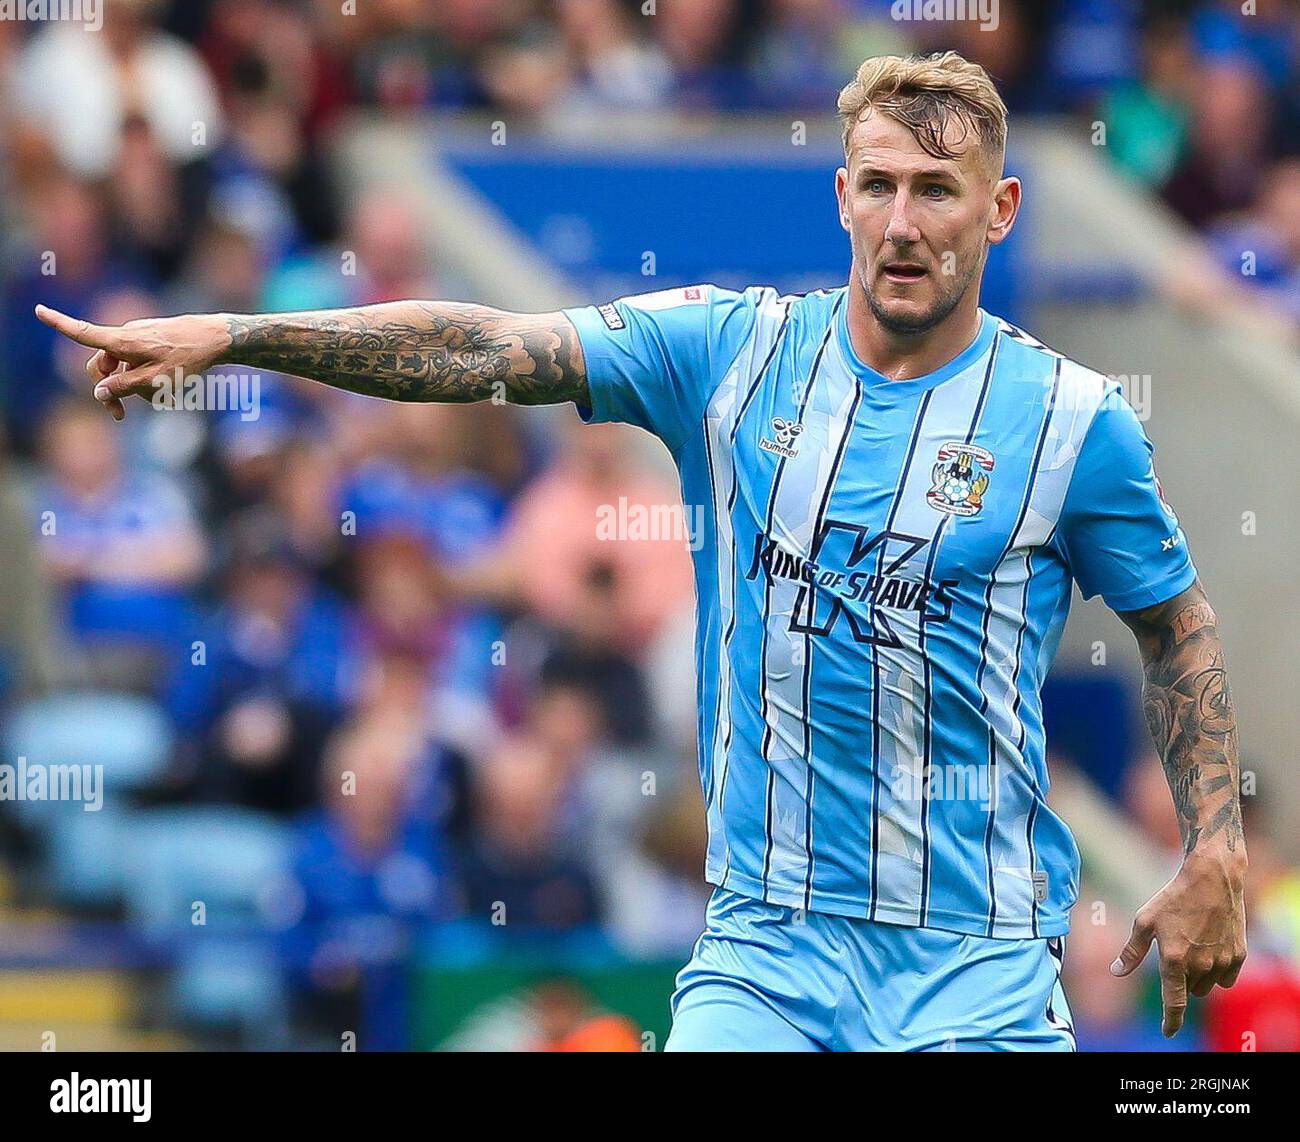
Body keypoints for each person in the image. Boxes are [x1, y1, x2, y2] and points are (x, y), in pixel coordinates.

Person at [36, 50, 1247, 1052]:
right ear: (838, 197)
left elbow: (1175, 622)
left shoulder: (1074, 422)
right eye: (876, 185)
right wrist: (240, 332)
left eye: (937, 189)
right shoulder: (729, 352)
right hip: (767, 954)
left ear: (1001, 208)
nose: (901, 221)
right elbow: (482, 348)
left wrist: (1214, 841)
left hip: (974, 968)